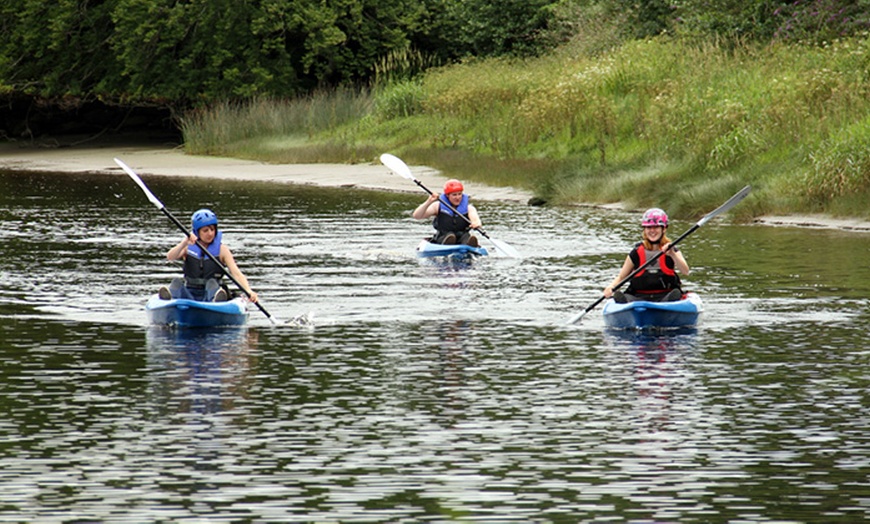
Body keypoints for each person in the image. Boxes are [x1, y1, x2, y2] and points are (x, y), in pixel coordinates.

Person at [157, 209, 259, 303]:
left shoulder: (222, 250)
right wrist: (184, 243)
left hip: (211, 293)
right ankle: (170, 298)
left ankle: (218, 300)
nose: (210, 234)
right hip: (190, 293)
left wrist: (248, 291)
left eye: (212, 229)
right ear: (197, 232)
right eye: (205, 231)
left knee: (212, 283)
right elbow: (170, 257)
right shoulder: (188, 247)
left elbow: (236, 273)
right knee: (176, 282)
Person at [602, 208, 690, 303]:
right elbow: (621, 277)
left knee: (674, 295)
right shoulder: (636, 252)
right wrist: (611, 286)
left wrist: (673, 254)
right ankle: (625, 302)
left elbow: (685, 271)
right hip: (638, 297)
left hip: (665, 296)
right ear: (644, 230)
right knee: (626, 298)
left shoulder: (672, 250)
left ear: (663, 229)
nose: (652, 231)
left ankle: (671, 303)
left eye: (656, 227)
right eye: (648, 227)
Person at [412, 179, 482, 246]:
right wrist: (429, 201)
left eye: (459, 194)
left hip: (462, 236)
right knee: (450, 236)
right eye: (454, 195)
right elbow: (417, 216)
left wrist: (476, 224)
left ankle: (470, 244)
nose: (457, 197)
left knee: (466, 237)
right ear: (447, 195)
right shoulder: (437, 206)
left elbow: (476, 220)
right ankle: (448, 244)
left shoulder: (469, 208)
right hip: (443, 237)